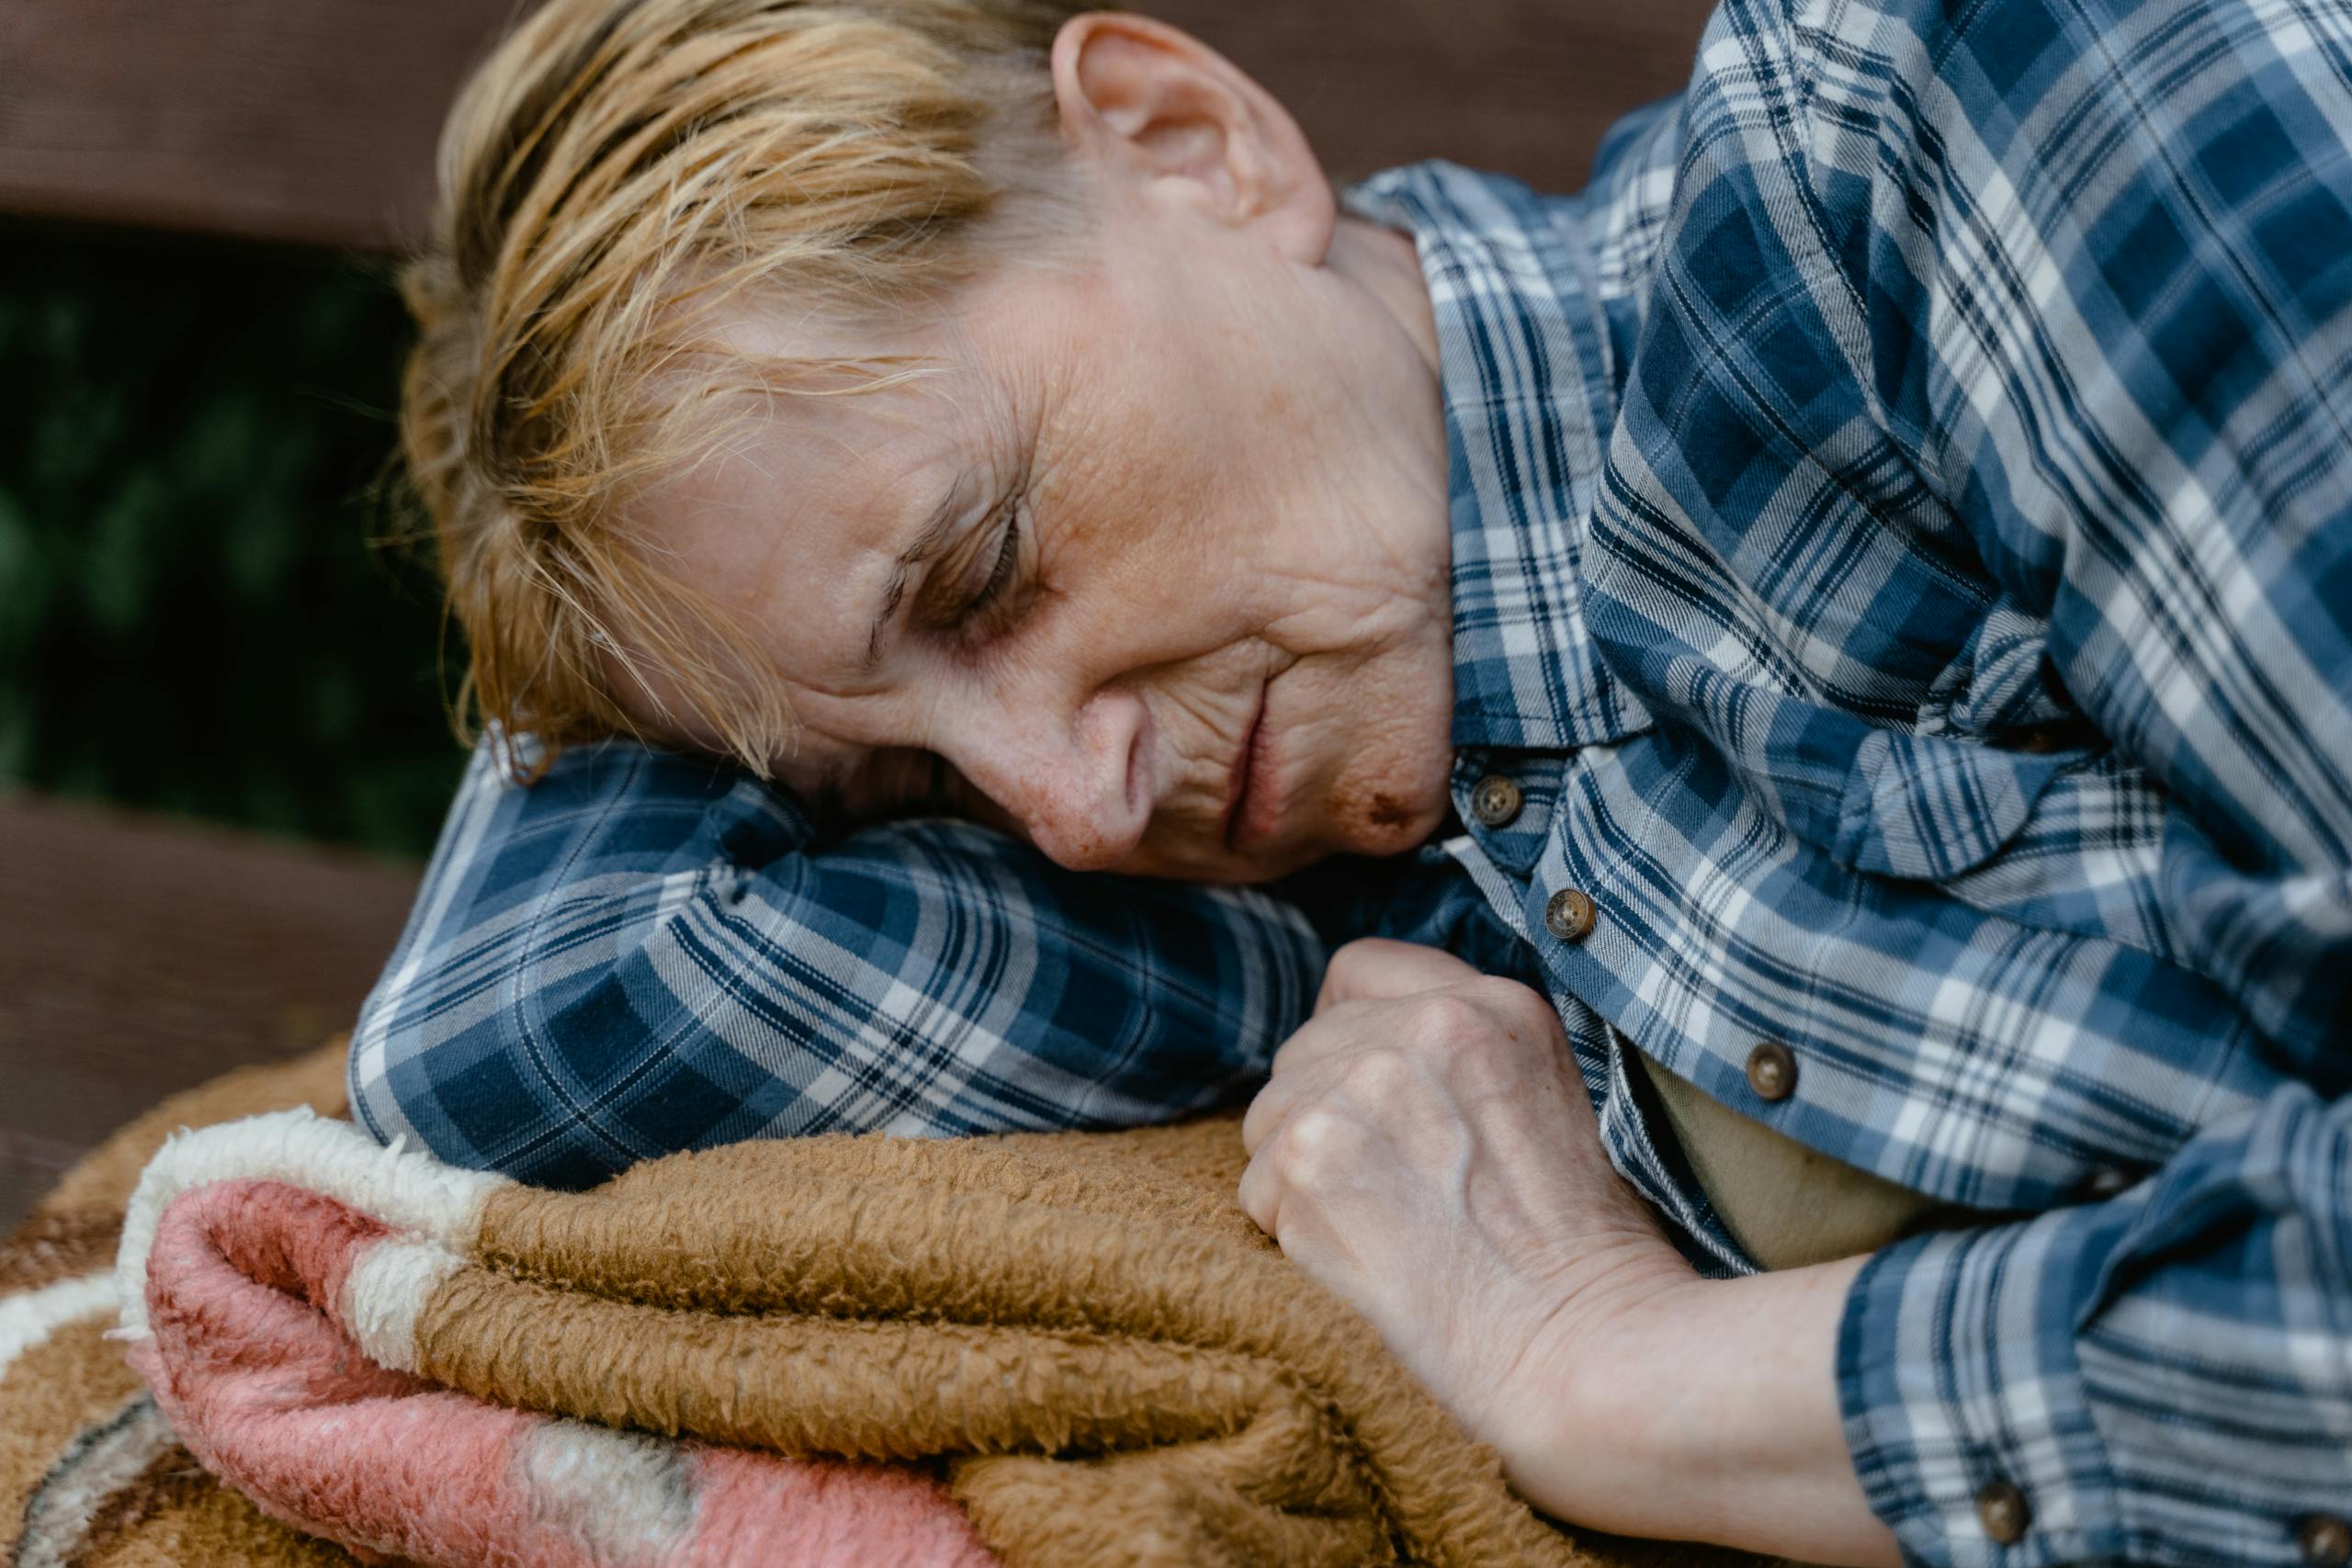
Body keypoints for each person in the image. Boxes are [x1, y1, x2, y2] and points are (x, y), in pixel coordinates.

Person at [352, 0, 2352, 1562]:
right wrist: (642, 599)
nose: (1069, 809)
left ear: (1183, 138)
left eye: (983, 566)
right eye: (904, 788)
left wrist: (1617, 1365)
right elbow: (497, 1024)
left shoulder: (1919, 139)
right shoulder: (1294, 922)